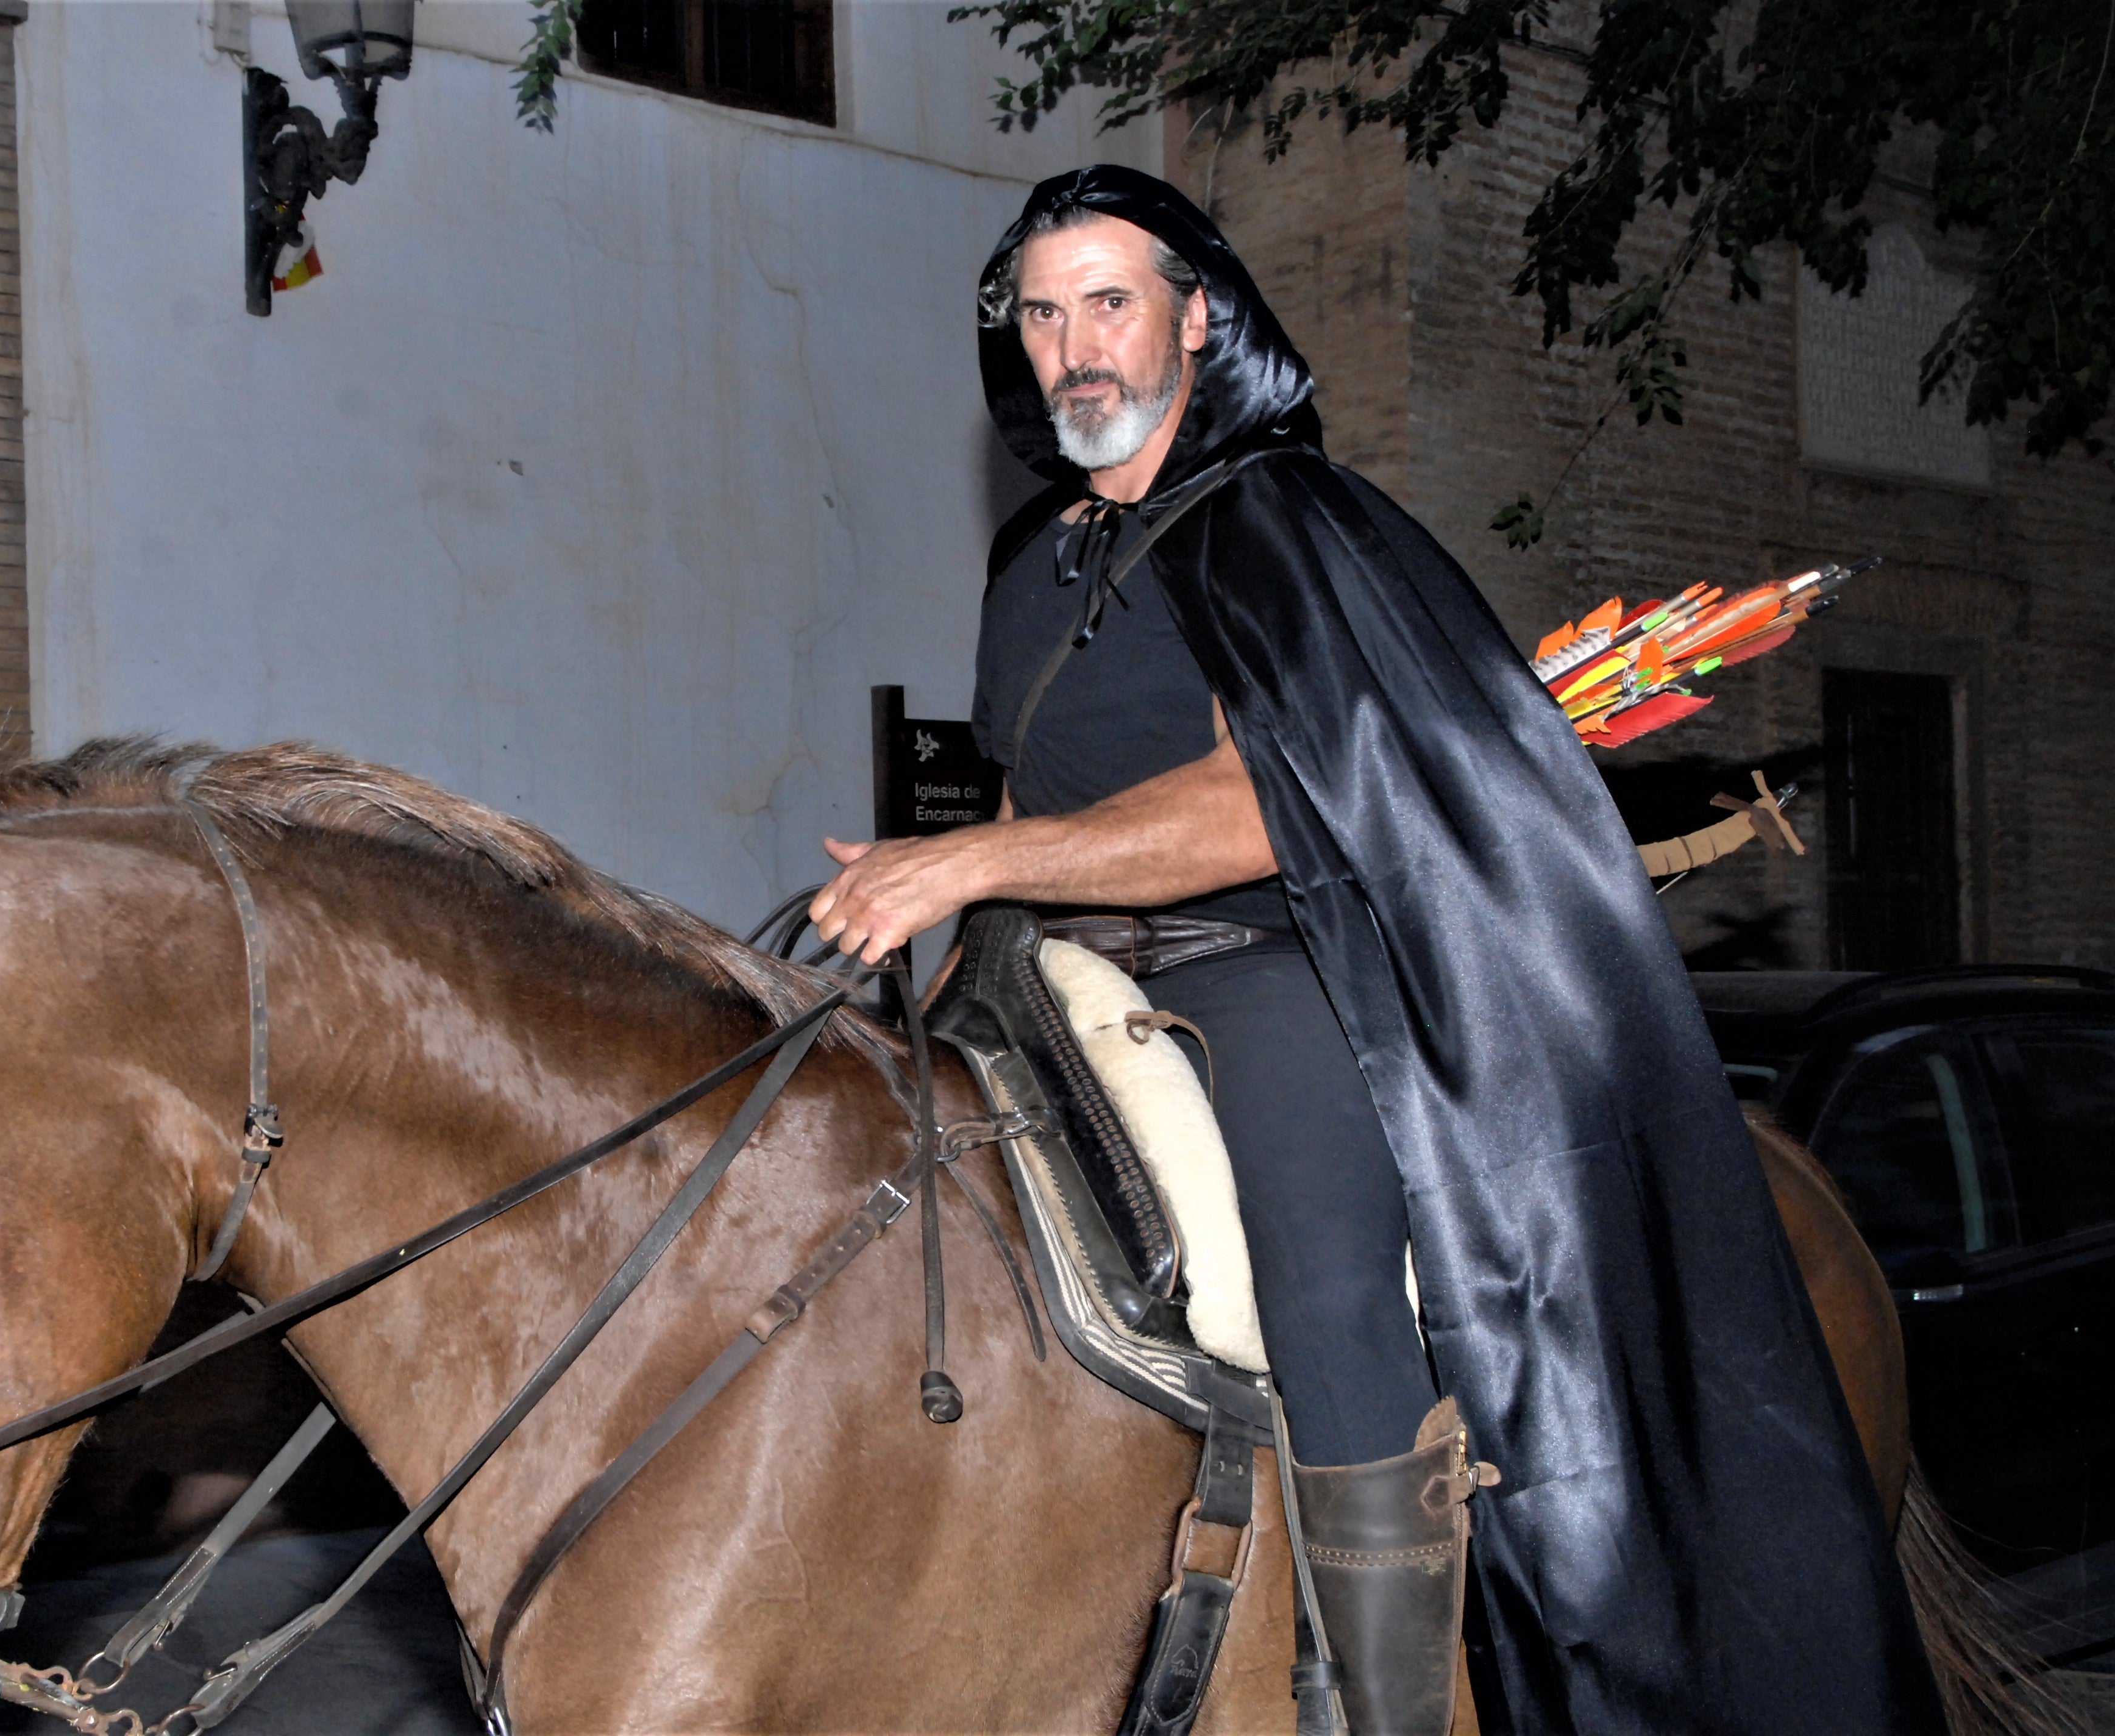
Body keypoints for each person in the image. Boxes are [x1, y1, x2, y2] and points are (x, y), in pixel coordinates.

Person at [809, 165, 1939, 1734]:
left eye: (1109, 304)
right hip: (1042, 972)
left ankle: (1379, 1698)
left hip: (1249, 963)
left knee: (1325, 1278)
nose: (1073, 346)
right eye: (1044, 313)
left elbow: (1259, 801)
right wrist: (944, 924)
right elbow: (1026, 781)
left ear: (1196, 317)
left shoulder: (1278, 521)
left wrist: (974, 857)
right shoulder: (1030, 560)